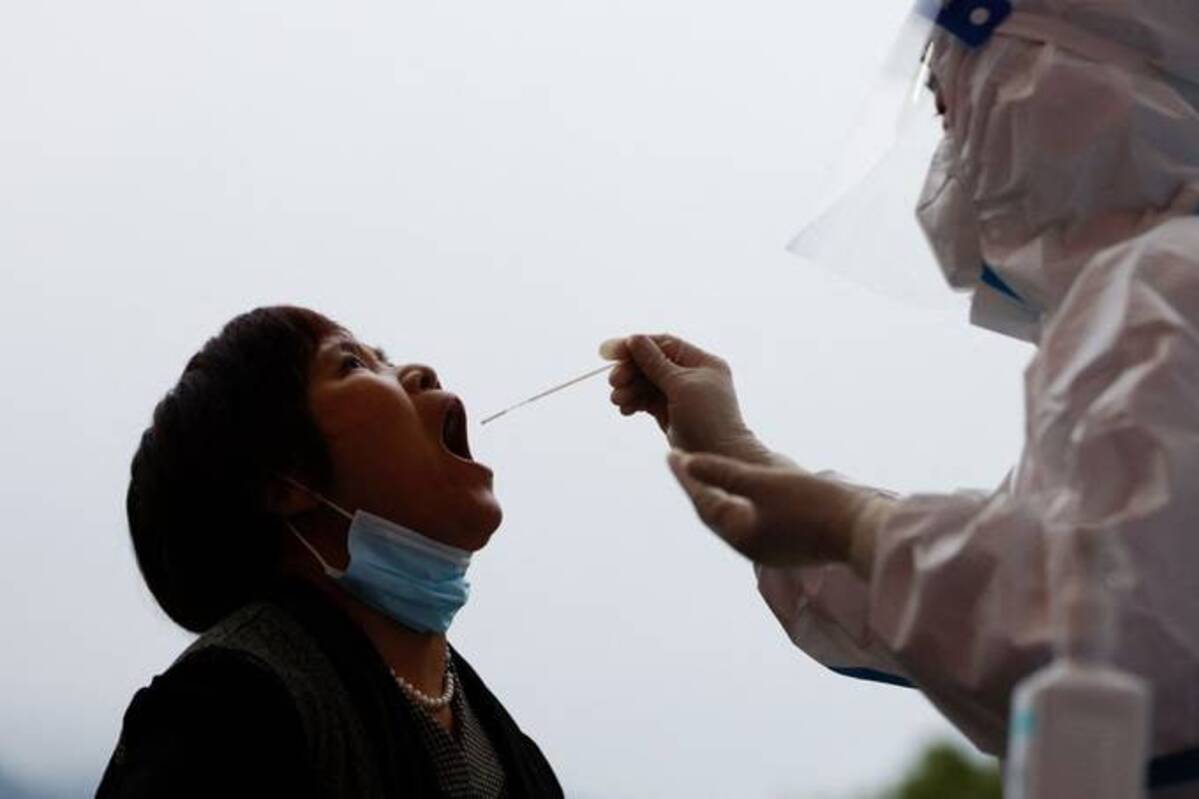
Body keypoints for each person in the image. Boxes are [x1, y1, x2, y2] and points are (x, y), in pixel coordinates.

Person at [605, 1, 1199, 795]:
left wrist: (856, 528)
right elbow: (981, 605)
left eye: (952, 100)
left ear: (1054, 84)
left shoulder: (1167, 287)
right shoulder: (1144, 298)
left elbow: (1109, 635)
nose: (941, 137)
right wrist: (738, 458)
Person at [97, 306, 563, 798]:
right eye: (353, 364)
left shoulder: (515, 757)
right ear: (286, 481)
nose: (421, 372)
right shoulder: (224, 716)